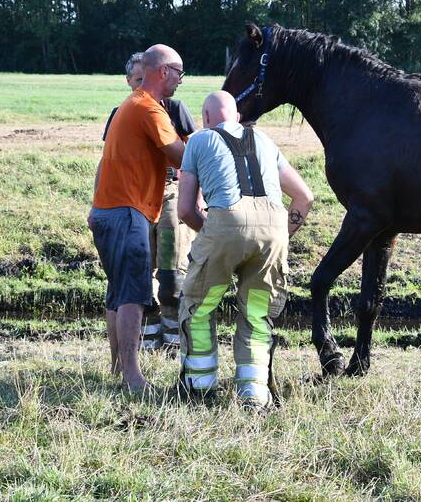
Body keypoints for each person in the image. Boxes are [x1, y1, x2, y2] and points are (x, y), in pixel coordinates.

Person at [177, 91, 314, 408]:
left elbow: (185, 209)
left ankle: (200, 386)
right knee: (256, 311)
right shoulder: (265, 140)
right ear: (236, 117)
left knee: (200, 305)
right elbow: (304, 197)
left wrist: (215, 233)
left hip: (225, 223)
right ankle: (254, 392)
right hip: (274, 230)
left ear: (207, 119)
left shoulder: (200, 139)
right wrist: (282, 234)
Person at [89, 44, 186, 391]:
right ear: (163, 71)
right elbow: (181, 156)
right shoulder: (149, 108)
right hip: (129, 212)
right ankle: (132, 375)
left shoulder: (130, 106)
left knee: (117, 293)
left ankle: (118, 368)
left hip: (108, 210)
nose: (180, 81)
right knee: (132, 295)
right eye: (179, 73)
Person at [102, 53, 197, 351]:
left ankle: (170, 339)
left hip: (169, 191)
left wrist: (198, 195)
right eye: (137, 80)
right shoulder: (131, 110)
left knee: (170, 271)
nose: (142, 84)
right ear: (129, 81)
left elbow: (191, 154)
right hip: (136, 202)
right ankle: (147, 339)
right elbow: (107, 162)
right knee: (140, 276)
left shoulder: (174, 109)